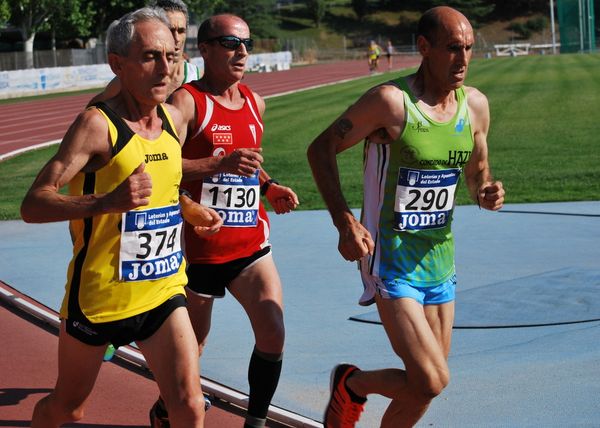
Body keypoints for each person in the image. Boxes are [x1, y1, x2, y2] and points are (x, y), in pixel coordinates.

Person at [22, 8, 223, 428]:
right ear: (118, 64)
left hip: (163, 290)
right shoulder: (97, 126)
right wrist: (105, 202)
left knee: (188, 404)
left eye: (171, 56)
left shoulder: (173, 120)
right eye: (151, 56)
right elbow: (34, 203)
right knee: (66, 408)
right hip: (99, 299)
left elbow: (164, 186)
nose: (165, 68)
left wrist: (188, 208)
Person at [307, 6, 505, 428]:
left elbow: (476, 172)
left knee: (424, 385)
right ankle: (353, 385)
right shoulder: (391, 103)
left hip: (440, 259)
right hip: (390, 259)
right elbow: (320, 149)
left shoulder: (475, 106)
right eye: (453, 48)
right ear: (424, 47)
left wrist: (485, 191)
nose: (463, 59)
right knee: (432, 379)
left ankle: (352, 386)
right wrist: (345, 221)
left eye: (469, 48)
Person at [147, 13, 299, 428]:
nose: (242, 52)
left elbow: (246, 164)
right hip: (198, 251)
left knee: (272, 331)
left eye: (246, 43)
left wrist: (269, 186)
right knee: (193, 347)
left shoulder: (255, 102)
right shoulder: (186, 102)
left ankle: (256, 421)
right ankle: (166, 408)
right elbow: (160, 164)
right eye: (231, 43)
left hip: (249, 243)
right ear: (207, 48)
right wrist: (215, 167)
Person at [89, 0, 201, 105]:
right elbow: (94, 106)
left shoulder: (197, 76)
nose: (177, 38)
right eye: (170, 30)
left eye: (181, 31)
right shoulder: (132, 80)